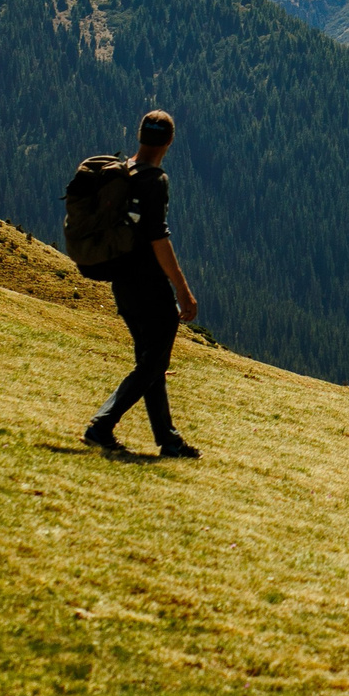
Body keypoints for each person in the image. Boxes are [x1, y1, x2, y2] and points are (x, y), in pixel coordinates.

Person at [83, 109, 202, 459]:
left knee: (151, 362)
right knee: (153, 362)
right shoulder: (154, 180)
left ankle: (169, 440)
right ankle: (101, 424)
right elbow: (158, 238)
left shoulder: (123, 173)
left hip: (122, 283)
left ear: (139, 136)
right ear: (169, 141)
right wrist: (182, 289)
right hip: (149, 285)